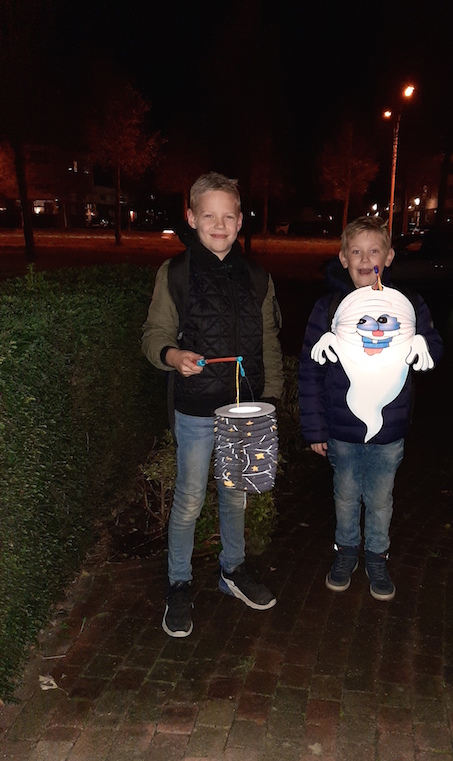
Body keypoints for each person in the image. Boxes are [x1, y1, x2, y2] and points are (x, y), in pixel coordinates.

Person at [142, 172, 284, 637]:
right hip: (197, 411)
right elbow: (154, 336)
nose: (219, 225)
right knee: (189, 499)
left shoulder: (258, 277)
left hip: (244, 411)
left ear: (240, 221)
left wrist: (271, 399)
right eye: (209, 216)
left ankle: (232, 571)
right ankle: (179, 583)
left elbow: (268, 341)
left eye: (228, 216)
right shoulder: (176, 274)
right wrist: (173, 356)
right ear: (191, 218)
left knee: (235, 495)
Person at [298, 216, 443, 601]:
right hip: (341, 430)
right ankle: (346, 551)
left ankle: (377, 557)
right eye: (356, 252)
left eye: (374, 251)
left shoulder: (407, 304)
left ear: (389, 256)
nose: (365, 260)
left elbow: (432, 345)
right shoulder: (329, 307)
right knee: (345, 495)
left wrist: (424, 347)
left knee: (380, 500)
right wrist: (315, 429)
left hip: (388, 430)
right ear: (343, 258)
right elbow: (310, 371)